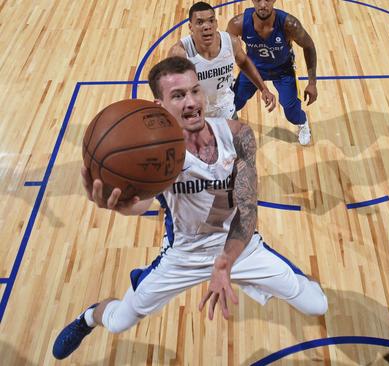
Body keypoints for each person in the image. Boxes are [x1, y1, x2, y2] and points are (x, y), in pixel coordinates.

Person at [52, 56, 328, 360]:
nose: (191, 102)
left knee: (318, 305)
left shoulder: (237, 135)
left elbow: (248, 211)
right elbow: (142, 202)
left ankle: (297, 278)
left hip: (239, 247)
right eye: (178, 95)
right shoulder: (153, 155)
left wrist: (224, 263)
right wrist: (120, 206)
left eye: (195, 90)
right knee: (118, 323)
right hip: (183, 255)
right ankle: (88, 317)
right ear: (159, 106)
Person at [227, 0, 317, 145]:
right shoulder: (237, 24)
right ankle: (227, 129)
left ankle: (303, 122)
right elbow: (226, 49)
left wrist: (312, 83)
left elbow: (309, 46)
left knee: (292, 113)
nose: (263, 4)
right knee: (232, 103)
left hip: (282, 70)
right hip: (253, 68)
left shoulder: (289, 24)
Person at [168, 1, 276, 119]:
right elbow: (170, 88)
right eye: (200, 22)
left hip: (225, 109)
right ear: (190, 27)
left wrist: (263, 89)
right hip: (195, 114)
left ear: (216, 23)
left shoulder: (231, 42)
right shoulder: (179, 53)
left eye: (211, 20)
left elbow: (244, 62)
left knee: (240, 137)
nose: (207, 26)